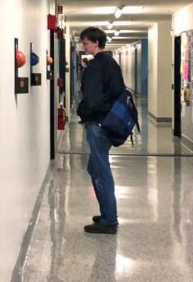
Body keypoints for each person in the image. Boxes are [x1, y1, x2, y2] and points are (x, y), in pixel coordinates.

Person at [77, 27, 125, 234]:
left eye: (86, 43)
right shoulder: (111, 63)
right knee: (94, 169)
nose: (83, 46)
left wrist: (82, 110)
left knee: (102, 173)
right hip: (106, 122)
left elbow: (93, 100)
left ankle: (109, 220)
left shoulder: (97, 66)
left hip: (97, 124)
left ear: (96, 43)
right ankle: (106, 213)